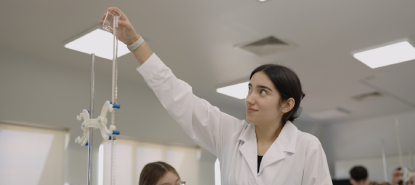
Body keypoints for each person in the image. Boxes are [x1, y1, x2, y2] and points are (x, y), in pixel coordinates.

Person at [100, 7, 332, 184]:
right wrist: (134, 42)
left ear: (286, 105)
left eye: (263, 92)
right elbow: (175, 94)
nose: (250, 98)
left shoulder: (307, 147)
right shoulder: (229, 135)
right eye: (250, 89)